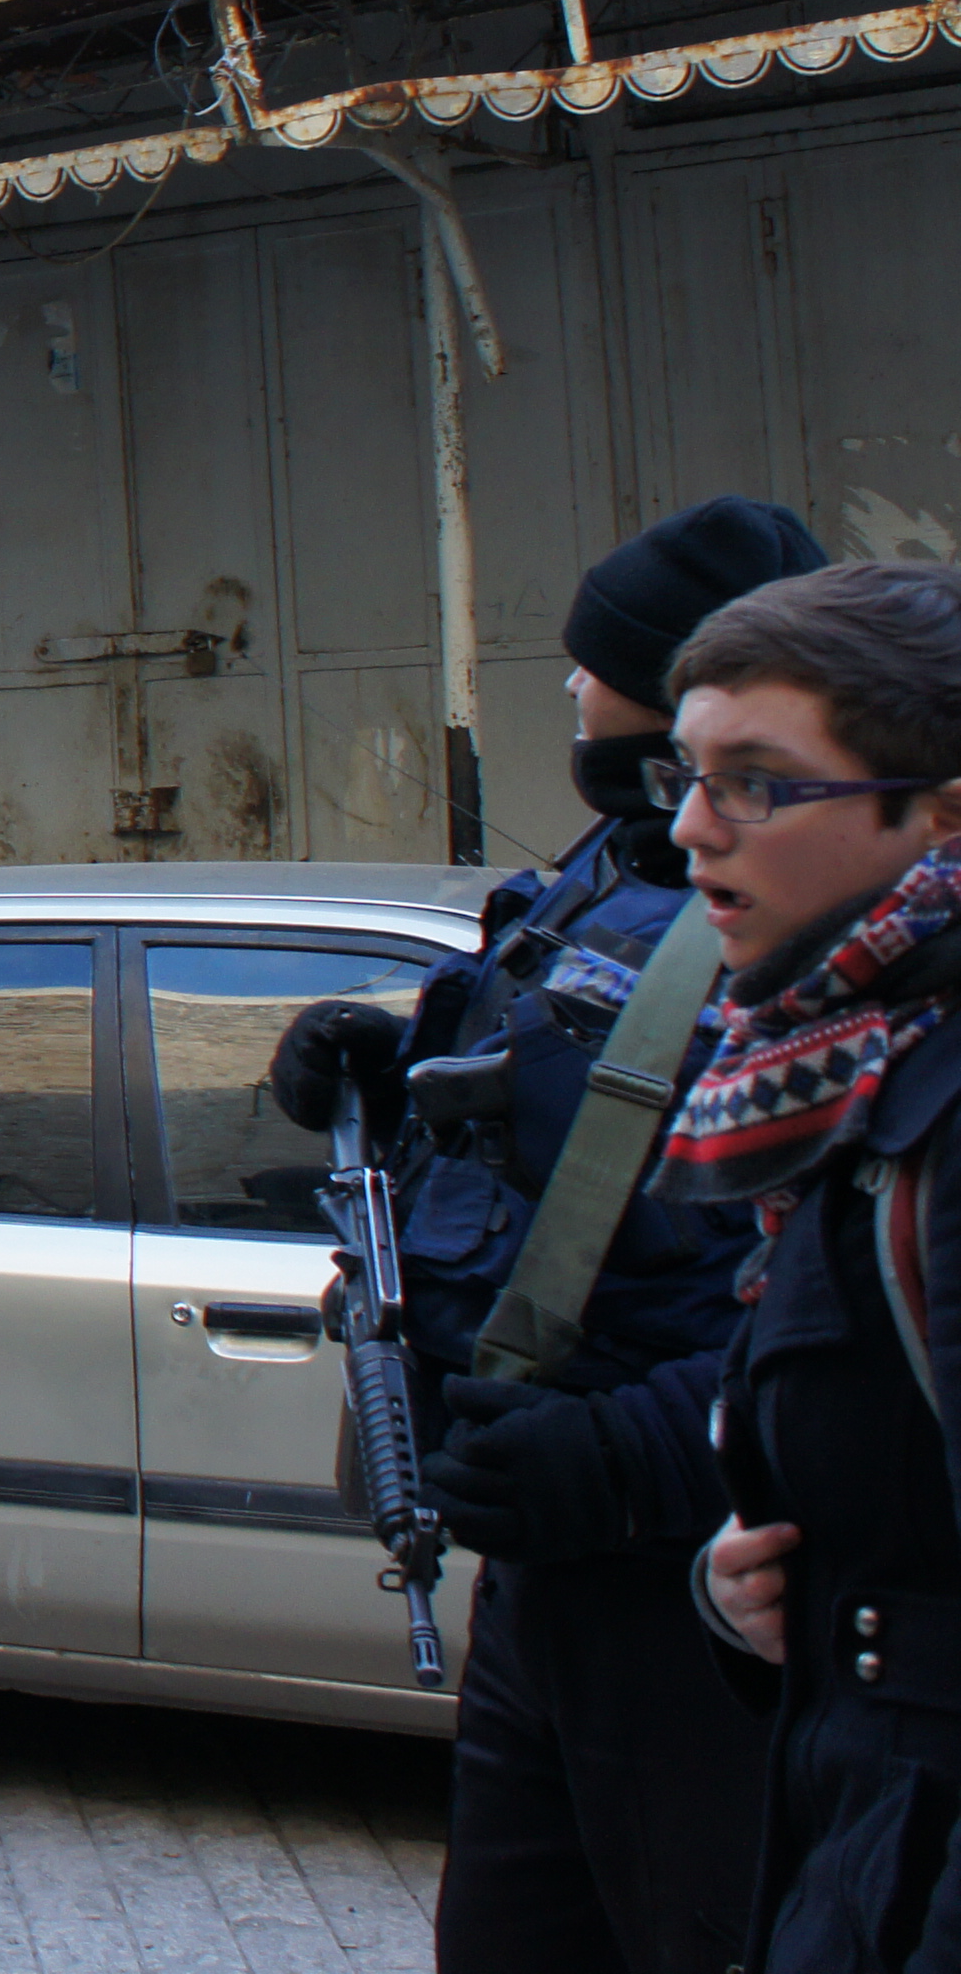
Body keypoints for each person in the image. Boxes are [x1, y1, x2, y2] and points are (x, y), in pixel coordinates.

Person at [267, 499, 816, 1974]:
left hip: (692, 1591)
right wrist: (370, 1068)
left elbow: (813, 1298)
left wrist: (630, 1457)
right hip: (542, 1577)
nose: (569, 687)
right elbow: (525, 1155)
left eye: (594, 660)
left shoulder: (787, 931)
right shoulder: (607, 873)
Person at [649, 564, 961, 1974]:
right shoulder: (842, 1072)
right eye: (690, 773)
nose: (690, 829)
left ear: (941, 808)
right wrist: (757, 1590)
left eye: (757, 784)